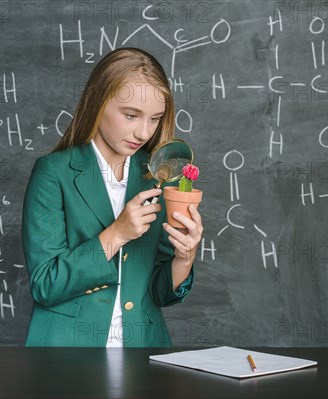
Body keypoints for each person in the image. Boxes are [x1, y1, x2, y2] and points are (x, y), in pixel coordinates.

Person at [22, 48, 203, 347]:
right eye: (131, 115)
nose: (143, 132)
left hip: (143, 349)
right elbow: (45, 285)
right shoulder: (54, 173)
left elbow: (160, 293)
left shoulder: (159, 176)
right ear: (98, 103)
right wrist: (116, 234)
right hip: (67, 353)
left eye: (154, 119)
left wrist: (184, 258)